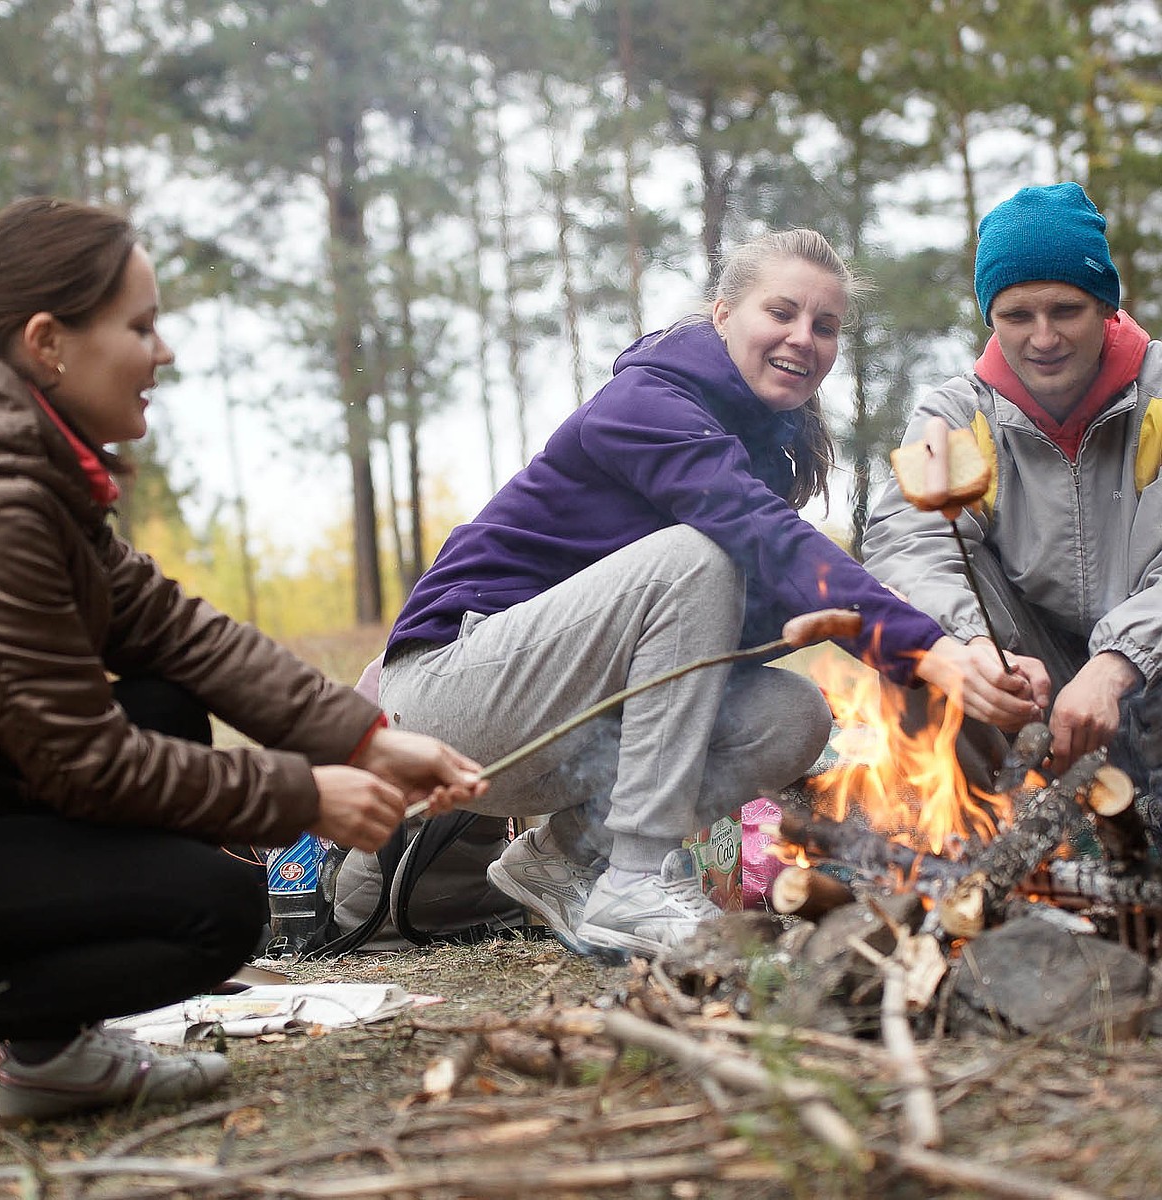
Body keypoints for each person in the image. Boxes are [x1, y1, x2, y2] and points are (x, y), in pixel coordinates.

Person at [379, 228, 1045, 962]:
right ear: (723, 314)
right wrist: (927, 651)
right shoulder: (648, 403)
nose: (803, 338)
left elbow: (784, 602)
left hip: (552, 717)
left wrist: (955, 651)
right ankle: (634, 877)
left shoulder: (752, 440)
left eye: (825, 326)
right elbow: (763, 542)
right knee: (703, 556)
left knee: (793, 714)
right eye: (781, 312)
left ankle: (567, 858)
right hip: (455, 694)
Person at [0, 196, 486, 1122]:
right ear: (47, 343)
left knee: (162, 701)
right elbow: (83, 767)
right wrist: (302, 795)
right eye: (140, 326)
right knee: (212, 909)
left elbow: (175, 631)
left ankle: (52, 1057)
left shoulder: (29, 470)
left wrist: (363, 739)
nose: (162, 352)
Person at [863, 181, 1162, 795]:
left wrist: (1117, 663)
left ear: (1107, 306)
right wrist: (974, 650)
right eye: (1017, 316)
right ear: (990, 317)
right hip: (1033, 688)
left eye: (1066, 310)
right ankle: (990, 836)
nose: (1044, 338)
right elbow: (908, 546)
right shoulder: (954, 414)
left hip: (1152, 675)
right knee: (918, 648)